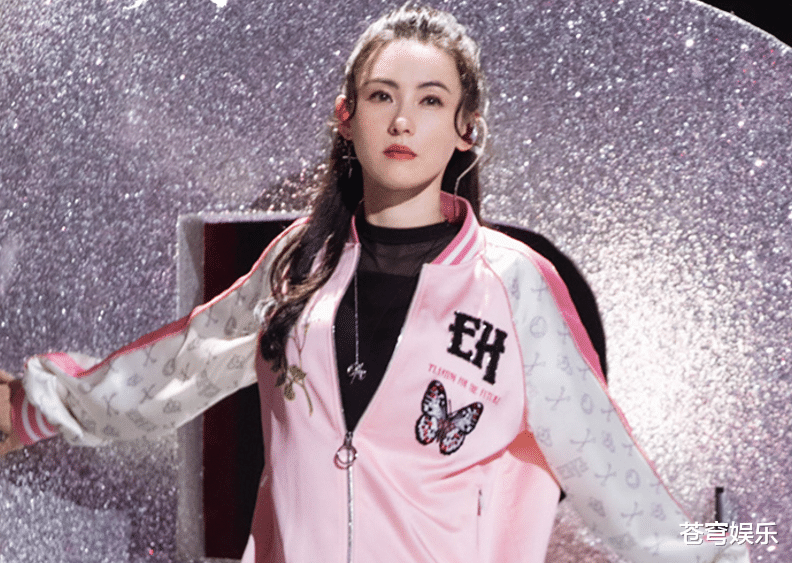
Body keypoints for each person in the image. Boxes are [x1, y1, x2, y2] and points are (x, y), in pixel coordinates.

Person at [0, 5, 751, 563]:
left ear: (466, 128)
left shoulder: (513, 284)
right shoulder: (300, 262)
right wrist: (36, 407)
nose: (402, 121)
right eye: (382, 95)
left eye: (431, 100)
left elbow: (614, 479)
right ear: (346, 115)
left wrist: (739, 542)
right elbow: (184, 363)